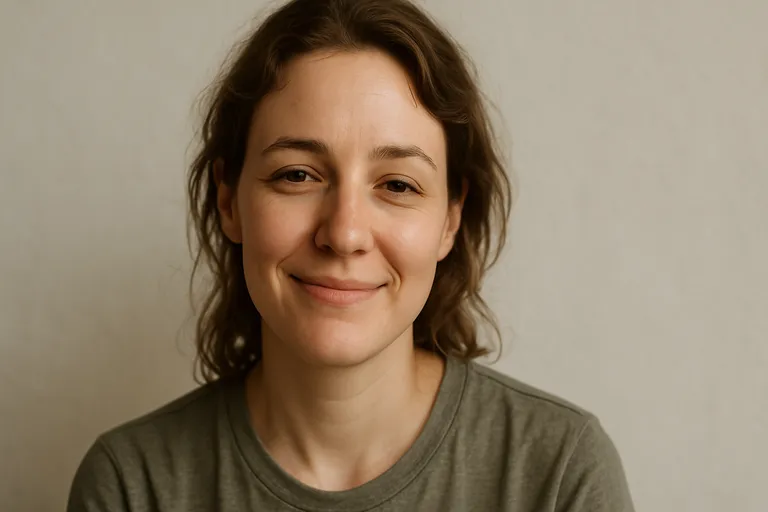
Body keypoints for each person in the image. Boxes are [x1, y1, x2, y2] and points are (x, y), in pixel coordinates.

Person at [67, 0, 635, 510]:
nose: (344, 233)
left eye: (397, 185)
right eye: (297, 175)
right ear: (228, 200)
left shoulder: (559, 474)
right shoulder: (131, 486)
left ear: (451, 220)